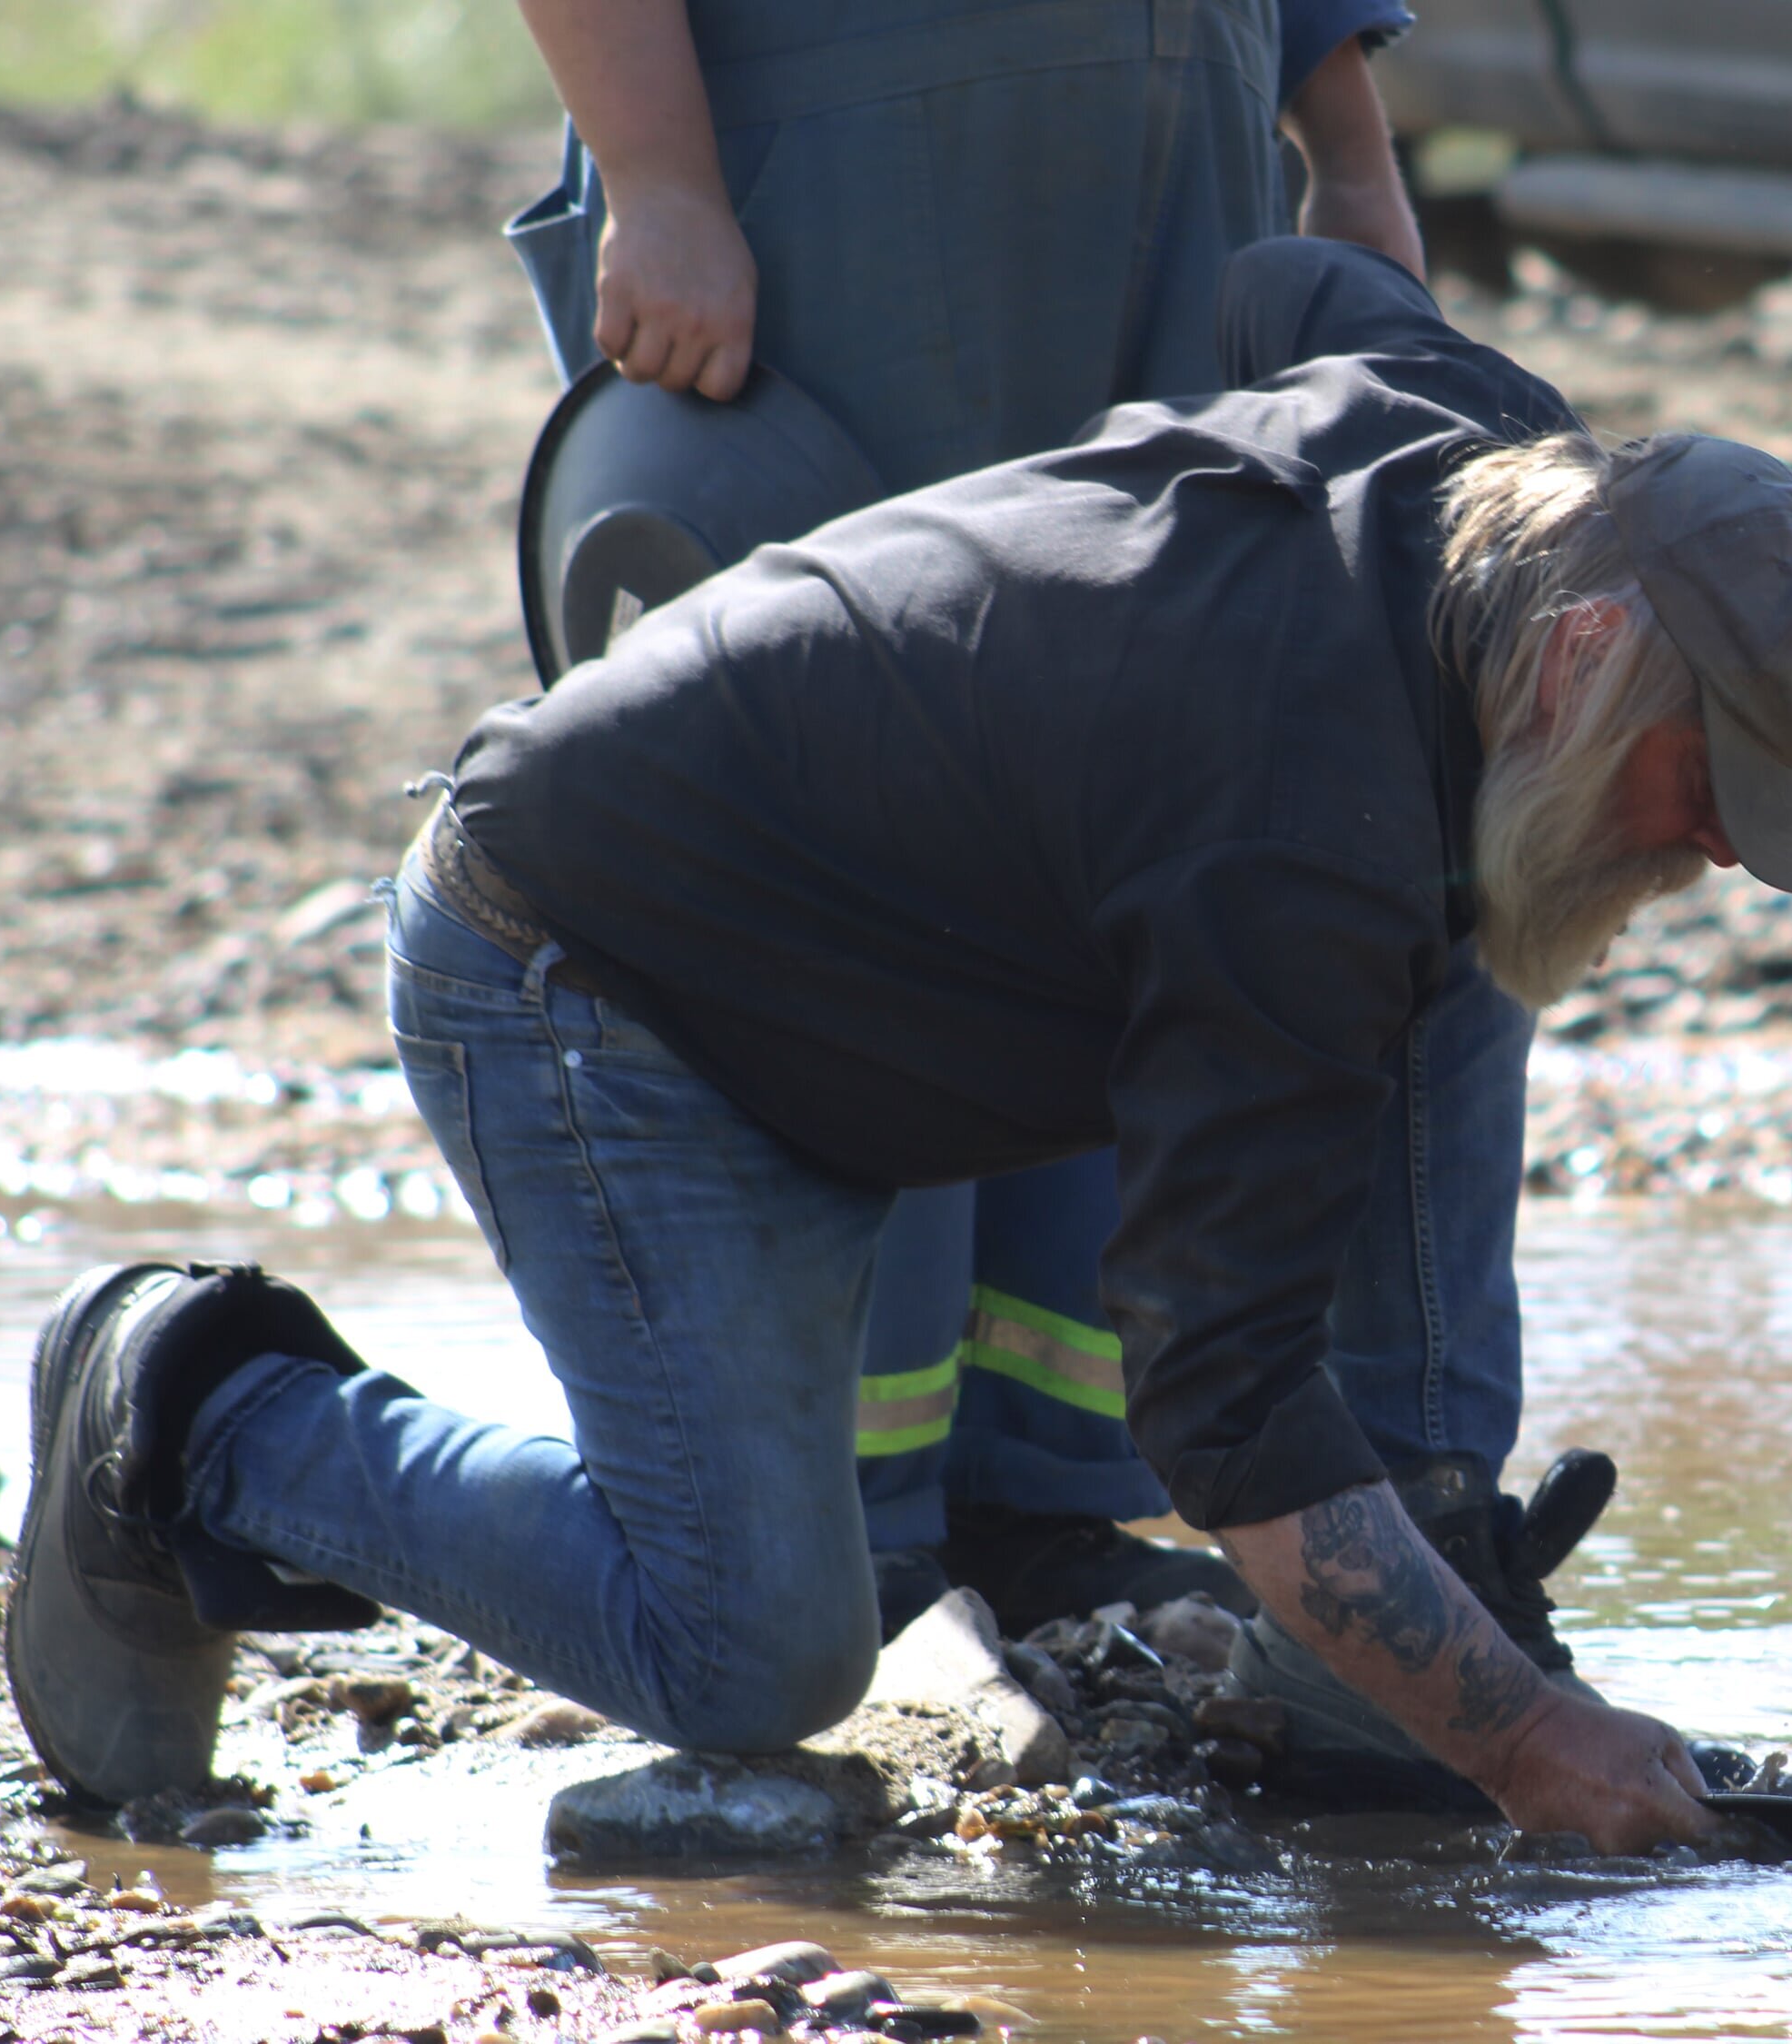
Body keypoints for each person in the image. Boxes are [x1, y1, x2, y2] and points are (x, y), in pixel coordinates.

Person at [6, 238, 1792, 1855]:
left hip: (808, 1003)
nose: (1716, 848)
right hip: (587, 985)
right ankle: (189, 1408)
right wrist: (1522, 1741)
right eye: (1701, 779)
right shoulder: (1291, 841)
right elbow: (1217, 1401)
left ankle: (1412, 1581)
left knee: (1484, 919)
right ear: (1581, 656)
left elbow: (1282, 284)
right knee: (751, 1661)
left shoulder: (1469, 442)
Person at [503, 0, 1545, 1646]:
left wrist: (1348, 151)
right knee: (874, 806)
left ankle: (1041, 1498)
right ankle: (855, 1517)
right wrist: (658, 174)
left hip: (1181, 137)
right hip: (834, 148)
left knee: (1126, 788)